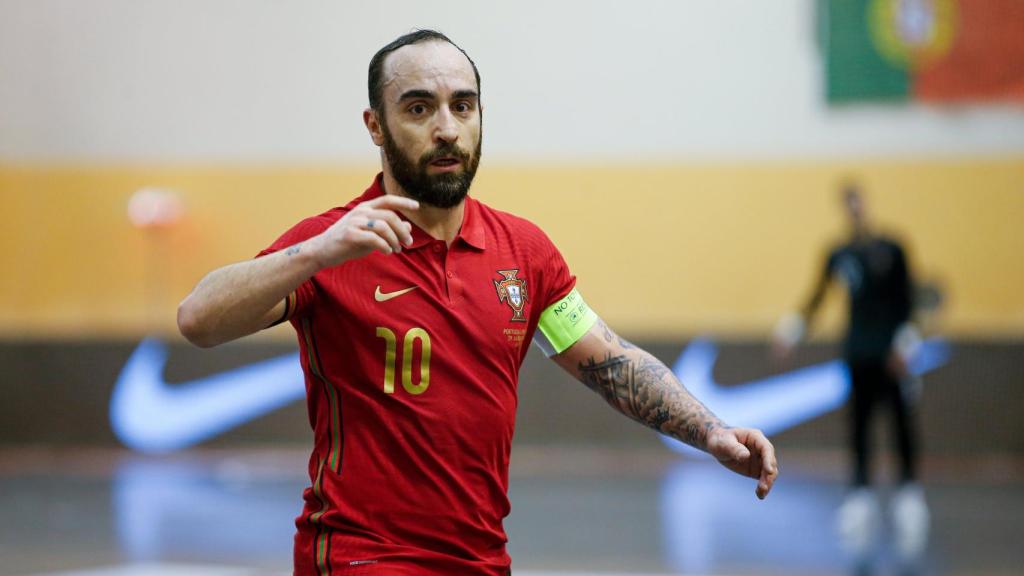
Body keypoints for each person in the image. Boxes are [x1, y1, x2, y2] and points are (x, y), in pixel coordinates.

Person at [178, 30, 778, 576]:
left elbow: (612, 364)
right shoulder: (334, 244)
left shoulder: (524, 252)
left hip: (481, 561)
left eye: (462, 107)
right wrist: (314, 253)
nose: (446, 129)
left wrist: (712, 432)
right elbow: (198, 320)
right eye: (419, 108)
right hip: (363, 557)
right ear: (375, 125)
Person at [773, 183, 927, 558]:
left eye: (858, 201)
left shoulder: (892, 249)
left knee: (900, 423)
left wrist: (906, 342)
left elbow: (909, 301)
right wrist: (793, 328)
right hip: (857, 355)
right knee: (858, 425)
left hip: (890, 356)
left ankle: (908, 495)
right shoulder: (839, 254)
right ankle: (860, 494)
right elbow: (818, 295)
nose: (854, 209)